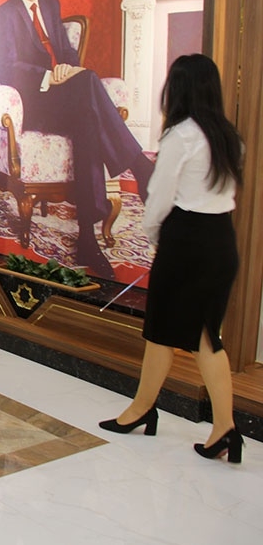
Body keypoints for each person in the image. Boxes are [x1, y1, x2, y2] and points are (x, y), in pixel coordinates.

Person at [99, 54, 244, 463]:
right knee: (194, 333)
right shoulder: (228, 136)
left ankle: (212, 425)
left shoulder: (181, 134)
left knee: (175, 331)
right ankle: (181, 419)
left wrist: (153, 236)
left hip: (187, 240)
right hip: (221, 240)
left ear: (178, 89)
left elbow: (159, 197)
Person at [0, 0, 154, 278]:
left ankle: (86, 239)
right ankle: (139, 165)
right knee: (89, 88)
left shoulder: (51, 5)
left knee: (87, 117)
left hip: (66, 96)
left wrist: (69, 69)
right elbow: (7, 68)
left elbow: (68, 52)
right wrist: (50, 75)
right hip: (34, 103)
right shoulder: (5, 13)